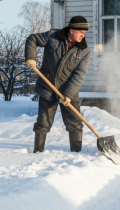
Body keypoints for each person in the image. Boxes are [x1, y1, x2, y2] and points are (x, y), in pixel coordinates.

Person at [25, 16, 91, 153]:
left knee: (75, 123)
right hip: (47, 88)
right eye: (81, 32)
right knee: (43, 123)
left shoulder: (84, 51)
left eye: (85, 33)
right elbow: (32, 39)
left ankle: (76, 153)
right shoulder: (52, 36)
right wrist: (30, 58)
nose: (83, 36)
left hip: (69, 90)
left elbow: (79, 75)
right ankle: (37, 152)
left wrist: (68, 95)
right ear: (71, 30)